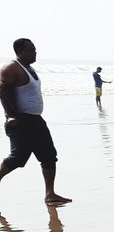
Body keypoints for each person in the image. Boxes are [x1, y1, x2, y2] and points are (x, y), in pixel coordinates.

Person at [0, 39, 70, 205]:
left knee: (49, 156)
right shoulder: (11, 68)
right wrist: (10, 115)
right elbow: (2, 91)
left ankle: (50, 194)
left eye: (35, 49)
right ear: (20, 51)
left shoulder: (30, 68)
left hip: (35, 119)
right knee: (17, 159)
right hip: (20, 120)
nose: (35, 53)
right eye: (31, 50)